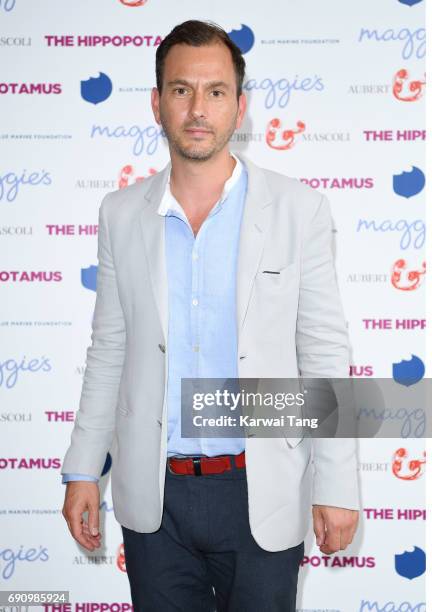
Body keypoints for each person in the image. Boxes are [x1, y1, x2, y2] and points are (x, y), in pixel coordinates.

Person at [61, 19, 360, 612]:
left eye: (216, 91)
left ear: (239, 106)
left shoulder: (299, 210)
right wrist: (82, 469)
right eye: (181, 90)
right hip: (155, 497)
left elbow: (324, 354)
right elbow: (110, 349)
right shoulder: (121, 214)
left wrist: (338, 483)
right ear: (157, 103)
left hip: (262, 489)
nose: (198, 108)